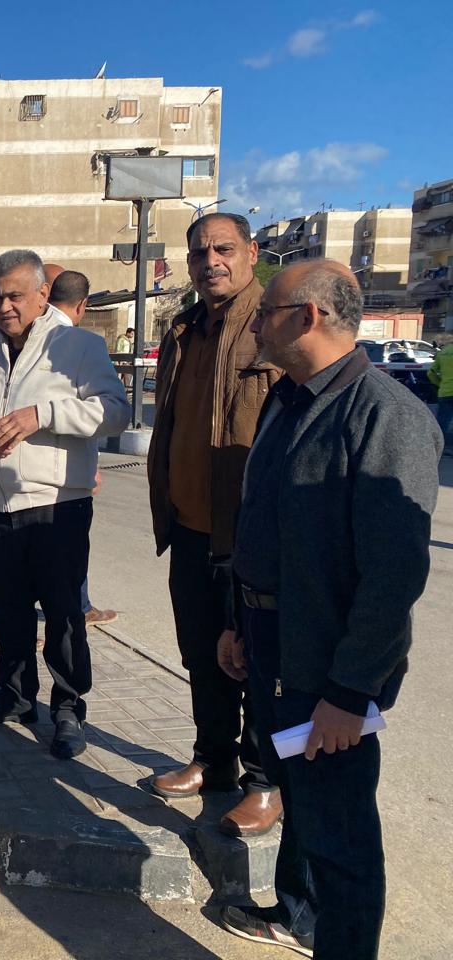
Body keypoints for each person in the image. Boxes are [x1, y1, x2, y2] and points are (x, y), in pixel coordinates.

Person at [219, 262, 440, 958]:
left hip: (328, 670)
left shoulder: (385, 415)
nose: (256, 323)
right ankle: (296, 911)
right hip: (271, 643)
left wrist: (350, 692)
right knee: (301, 800)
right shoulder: (286, 399)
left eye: (267, 311)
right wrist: (239, 621)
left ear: (308, 316)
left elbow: (394, 576)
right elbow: (262, 522)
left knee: (341, 839)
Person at [0, 250, 128, 760]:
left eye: (16, 296)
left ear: (44, 294)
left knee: (63, 614)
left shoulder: (79, 347)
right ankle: (16, 696)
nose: (5, 306)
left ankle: (68, 708)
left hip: (56, 506)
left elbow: (114, 411)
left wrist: (41, 415)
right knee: (7, 611)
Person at [146, 212, 285, 837]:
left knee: (256, 663)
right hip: (190, 528)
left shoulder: (271, 322)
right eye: (200, 253)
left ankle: (265, 781)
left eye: (224, 249)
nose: (211, 262)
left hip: (250, 533)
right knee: (202, 655)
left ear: (251, 252)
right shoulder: (184, 328)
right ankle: (214, 760)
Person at [48, 269, 117, 626]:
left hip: (18, 484)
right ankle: (79, 610)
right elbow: (110, 411)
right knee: (68, 559)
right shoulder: (84, 344)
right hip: (68, 479)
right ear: (82, 305)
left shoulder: (20, 339)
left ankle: (5, 621)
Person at [428, 339, 453, 454]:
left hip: (445, 392)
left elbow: (431, 373)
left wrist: (440, 384)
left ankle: (439, 448)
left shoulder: (443, 352)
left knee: (443, 422)